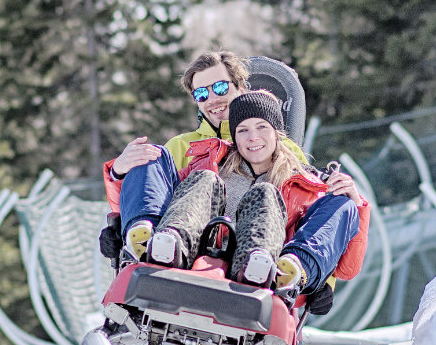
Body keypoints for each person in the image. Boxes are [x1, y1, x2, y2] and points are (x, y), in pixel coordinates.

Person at [119, 88, 369, 296]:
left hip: (263, 270)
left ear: (276, 133)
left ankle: (288, 270)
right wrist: (119, 173)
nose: (253, 137)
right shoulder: (210, 164)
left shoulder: (305, 186)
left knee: (272, 195)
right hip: (194, 252)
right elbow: (156, 193)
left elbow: (347, 269)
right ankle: (157, 242)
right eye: (243, 130)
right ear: (234, 137)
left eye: (262, 127)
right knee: (158, 157)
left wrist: (355, 206)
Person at [105, 50, 355, 251]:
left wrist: (321, 281)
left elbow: (308, 210)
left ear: (241, 86)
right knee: (155, 159)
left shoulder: (277, 146)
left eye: (221, 88)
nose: (212, 98)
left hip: (256, 246)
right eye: (201, 94)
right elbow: (147, 198)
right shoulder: (181, 147)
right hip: (189, 249)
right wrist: (119, 175)